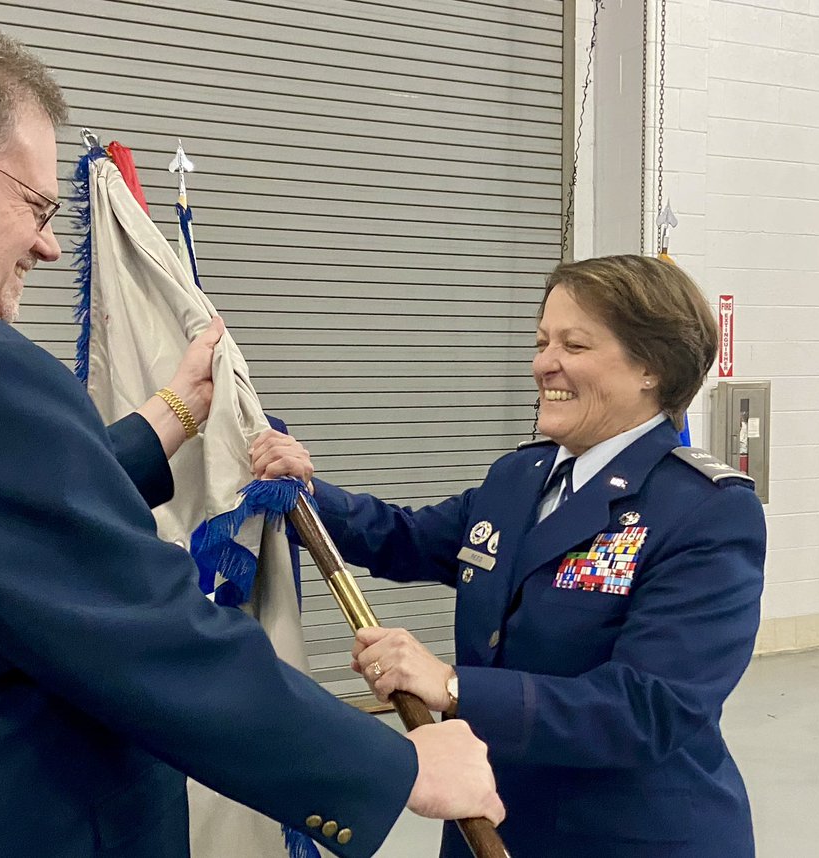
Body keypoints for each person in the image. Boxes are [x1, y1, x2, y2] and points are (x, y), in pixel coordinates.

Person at [0, 12, 504, 858]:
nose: (52, 245)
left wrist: (167, 420)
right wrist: (394, 767)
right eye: (37, 204)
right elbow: (150, 639)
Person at [252, 255, 766, 858]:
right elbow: (408, 538)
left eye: (574, 344)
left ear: (651, 366)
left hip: (625, 835)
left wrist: (451, 686)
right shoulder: (521, 475)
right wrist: (307, 491)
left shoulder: (704, 511)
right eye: (542, 340)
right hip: (489, 823)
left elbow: (648, 709)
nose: (543, 362)